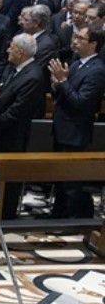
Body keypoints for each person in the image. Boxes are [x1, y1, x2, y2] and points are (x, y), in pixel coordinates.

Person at [47, 26, 105, 218]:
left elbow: (81, 102)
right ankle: (57, 216)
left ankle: (72, 220)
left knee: (70, 182)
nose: (75, 40)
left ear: (93, 43)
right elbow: (65, 93)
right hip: (62, 128)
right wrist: (57, 84)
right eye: (75, 36)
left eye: (81, 38)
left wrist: (63, 82)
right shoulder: (76, 63)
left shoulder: (97, 70)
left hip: (75, 131)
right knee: (59, 178)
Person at [0, 33, 44, 219]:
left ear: (21, 52)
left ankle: (5, 215)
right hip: (0, 133)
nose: (8, 50)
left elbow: (15, 113)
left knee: (9, 180)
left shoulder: (33, 77)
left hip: (13, 137)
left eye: (11, 47)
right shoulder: (12, 68)